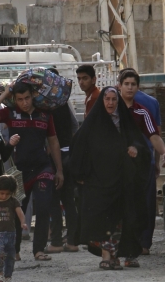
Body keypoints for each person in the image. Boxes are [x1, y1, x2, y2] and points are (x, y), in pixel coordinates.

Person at [70, 86, 151, 270]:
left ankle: (114, 255)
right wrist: (80, 174)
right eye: (107, 99)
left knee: (120, 219)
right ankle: (106, 255)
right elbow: (78, 147)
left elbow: (139, 142)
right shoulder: (94, 122)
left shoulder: (124, 121)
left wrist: (135, 149)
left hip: (122, 181)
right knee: (102, 219)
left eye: (114, 99)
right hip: (99, 182)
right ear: (102, 101)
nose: (110, 103)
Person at [0, 82, 64, 262]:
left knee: (44, 207)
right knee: (17, 210)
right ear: (15, 99)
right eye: (20, 99)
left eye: (28, 98)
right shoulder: (11, 113)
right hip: (19, 172)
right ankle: (15, 250)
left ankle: (39, 250)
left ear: (33, 96)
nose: (25, 103)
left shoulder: (45, 115)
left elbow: (53, 142)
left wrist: (59, 170)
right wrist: (5, 95)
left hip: (43, 168)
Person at [117, 69, 165, 264]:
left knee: (136, 208)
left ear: (137, 87)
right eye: (126, 84)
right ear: (119, 85)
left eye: (133, 84)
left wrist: (162, 153)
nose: (129, 87)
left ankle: (132, 251)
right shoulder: (109, 107)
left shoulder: (142, 111)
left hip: (137, 168)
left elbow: (154, 135)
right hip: (114, 168)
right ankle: (110, 254)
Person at [44, 68, 79, 254]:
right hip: (67, 155)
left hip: (54, 157)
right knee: (69, 200)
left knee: (54, 200)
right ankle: (72, 241)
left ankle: (56, 241)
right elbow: (74, 125)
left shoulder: (44, 104)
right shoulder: (64, 102)